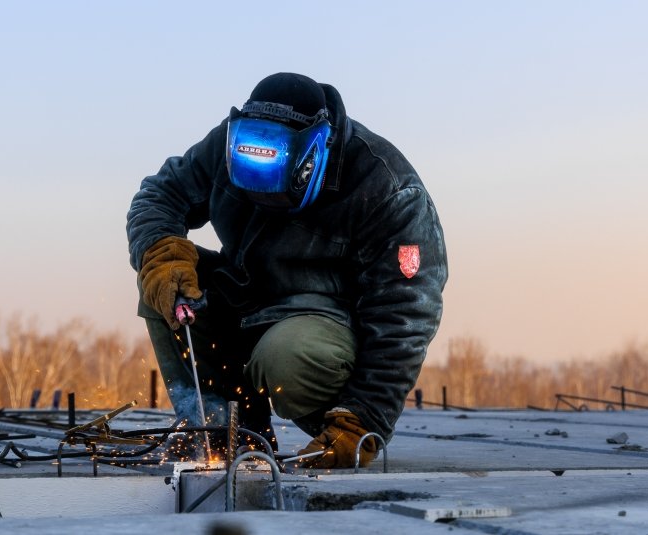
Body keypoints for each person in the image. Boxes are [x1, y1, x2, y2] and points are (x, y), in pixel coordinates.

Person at [126, 72, 448, 468]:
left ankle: (337, 420)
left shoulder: (387, 187)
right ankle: (228, 434)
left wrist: (365, 416)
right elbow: (160, 193)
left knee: (285, 358)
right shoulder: (230, 141)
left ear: (314, 152)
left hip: (320, 325)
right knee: (164, 285)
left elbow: (406, 314)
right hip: (246, 296)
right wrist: (160, 251)